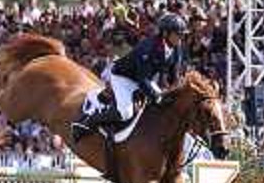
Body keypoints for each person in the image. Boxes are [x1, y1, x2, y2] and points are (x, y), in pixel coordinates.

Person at [72, 13, 187, 142]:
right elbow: (141, 79)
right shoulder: (147, 48)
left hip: (145, 79)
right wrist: (157, 97)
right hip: (124, 77)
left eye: (182, 35)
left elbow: (174, 75)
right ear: (165, 33)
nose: (181, 38)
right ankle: (88, 121)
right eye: (178, 34)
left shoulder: (177, 47)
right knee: (125, 112)